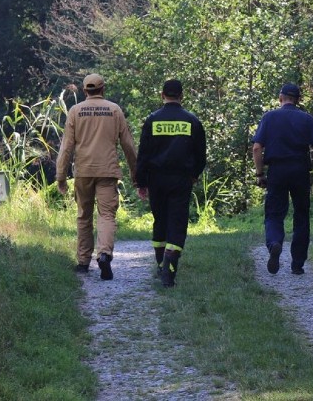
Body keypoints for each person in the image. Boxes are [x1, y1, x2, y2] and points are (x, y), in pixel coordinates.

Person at [56, 73, 138, 281]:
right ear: (103, 89)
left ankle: (83, 262)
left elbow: (66, 147)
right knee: (107, 215)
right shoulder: (114, 110)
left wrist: (61, 176)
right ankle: (104, 254)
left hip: (83, 171)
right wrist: (136, 174)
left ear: (85, 91)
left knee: (84, 216)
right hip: (108, 171)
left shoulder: (75, 111)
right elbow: (128, 145)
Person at [135, 79, 207, 288]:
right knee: (177, 221)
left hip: (156, 179)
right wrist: (193, 174)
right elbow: (201, 155)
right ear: (181, 96)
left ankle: (160, 264)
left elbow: (144, 155)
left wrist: (142, 182)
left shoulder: (152, 120)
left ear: (162, 94)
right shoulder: (192, 121)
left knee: (160, 220)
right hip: (181, 179)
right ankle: (170, 270)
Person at [251, 83, 313, 275]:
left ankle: (275, 242)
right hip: (300, 170)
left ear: (280, 98)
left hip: (277, 171)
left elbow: (257, 148)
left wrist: (260, 174)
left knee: (274, 213)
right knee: (301, 215)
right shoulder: (307, 119)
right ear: (298, 100)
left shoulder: (269, 117)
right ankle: (297, 264)